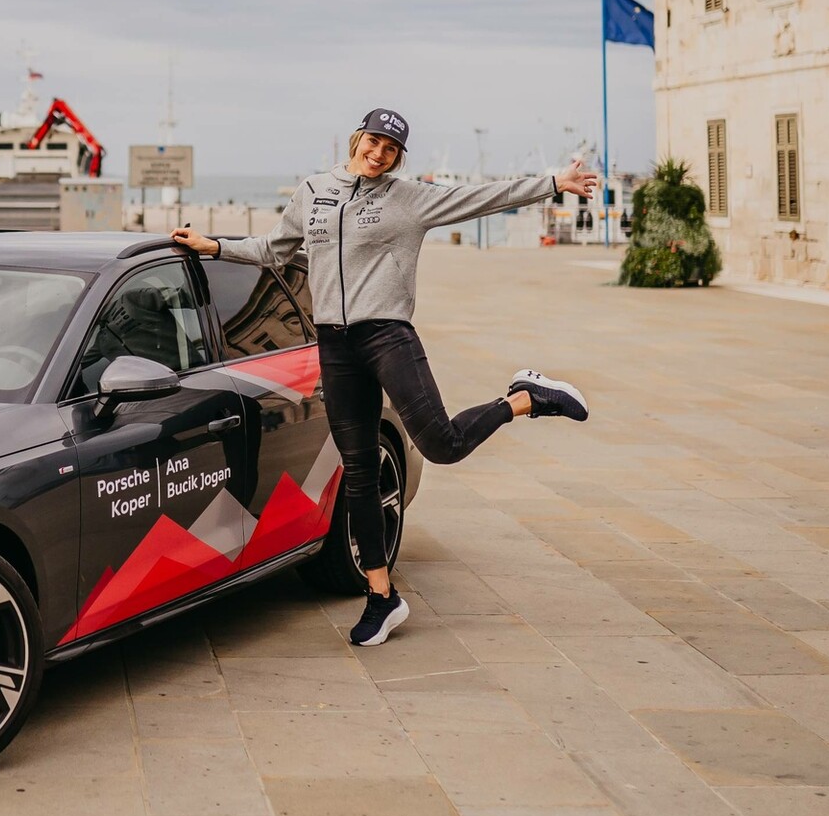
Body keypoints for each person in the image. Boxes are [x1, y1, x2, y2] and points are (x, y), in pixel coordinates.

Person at [170, 108, 598, 647]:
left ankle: (525, 398)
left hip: (388, 336)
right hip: (335, 344)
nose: (379, 154)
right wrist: (214, 247)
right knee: (359, 472)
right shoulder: (314, 191)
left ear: (397, 156)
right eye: (374, 142)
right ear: (358, 139)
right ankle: (381, 596)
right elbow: (273, 249)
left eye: (391, 149)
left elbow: (483, 197)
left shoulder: (406, 198)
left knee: (441, 444)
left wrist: (554, 182)